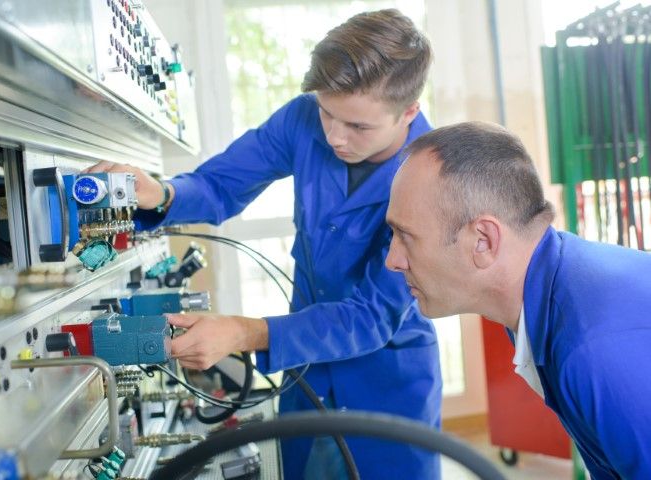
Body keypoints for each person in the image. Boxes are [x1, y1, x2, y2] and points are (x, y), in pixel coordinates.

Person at [88, 9, 441, 479]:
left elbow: (371, 315)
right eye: (326, 112)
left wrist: (241, 331)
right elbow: (222, 185)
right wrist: (163, 192)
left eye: (357, 127)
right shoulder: (302, 120)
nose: (334, 136)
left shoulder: (432, 178)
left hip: (386, 382)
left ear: (409, 110)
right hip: (306, 369)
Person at [385, 121, 651, 479]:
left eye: (405, 236)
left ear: (483, 240)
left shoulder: (592, 347)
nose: (392, 259)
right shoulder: (547, 295)